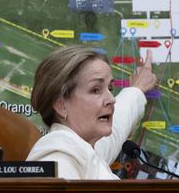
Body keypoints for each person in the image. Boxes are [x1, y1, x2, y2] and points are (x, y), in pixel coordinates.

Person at [27, 46, 156, 179]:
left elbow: (119, 123)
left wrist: (137, 89)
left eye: (110, 88)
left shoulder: (81, 151)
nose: (111, 99)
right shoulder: (59, 165)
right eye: (95, 90)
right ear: (61, 105)